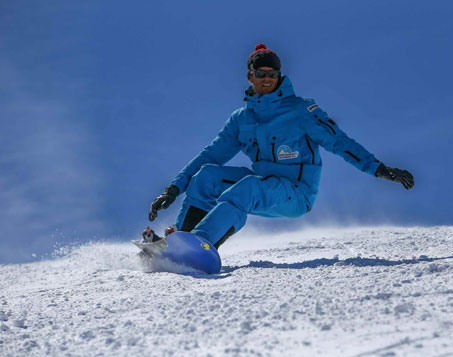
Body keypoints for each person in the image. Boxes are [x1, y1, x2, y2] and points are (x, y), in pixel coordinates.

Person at [147, 43, 414, 249]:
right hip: (264, 182)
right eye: (261, 74)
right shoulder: (242, 120)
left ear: (279, 76)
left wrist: (379, 169)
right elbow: (210, 155)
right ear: (250, 76)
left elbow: (339, 142)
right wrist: (173, 189)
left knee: (247, 187)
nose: (267, 79)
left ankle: (199, 245)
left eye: (273, 74)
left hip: (297, 192)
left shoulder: (301, 111)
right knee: (206, 176)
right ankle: (180, 241)